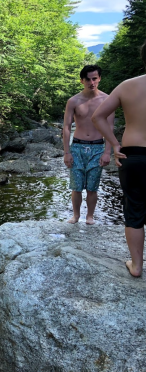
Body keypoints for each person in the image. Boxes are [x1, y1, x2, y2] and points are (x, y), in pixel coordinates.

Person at [92, 40, 146, 277]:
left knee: (134, 210)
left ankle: (136, 266)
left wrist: (114, 144)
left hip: (133, 155)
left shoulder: (127, 86)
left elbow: (98, 116)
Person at [63, 65, 114, 225]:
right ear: (82, 80)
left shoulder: (107, 100)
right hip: (77, 146)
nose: (92, 82)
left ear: (99, 78)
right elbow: (66, 126)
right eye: (88, 79)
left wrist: (107, 152)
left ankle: (90, 216)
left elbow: (110, 127)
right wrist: (66, 152)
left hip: (97, 146)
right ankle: (76, 215)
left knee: (93, 187)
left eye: (95, 78)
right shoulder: (73, 101)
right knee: (76, 186)